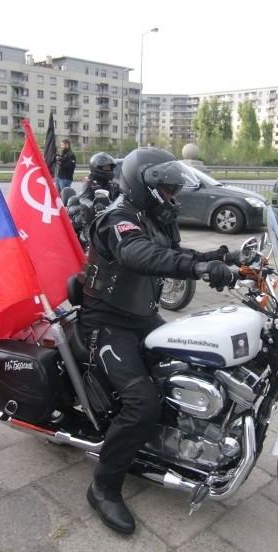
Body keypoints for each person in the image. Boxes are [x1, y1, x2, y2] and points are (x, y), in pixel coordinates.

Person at [79, 146, 240, 534]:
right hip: (107, 325)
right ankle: (103, 487)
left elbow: (173, 252)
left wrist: (225, 257)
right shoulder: (117, 218)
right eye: (167, 189)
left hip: (143, 317)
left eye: (173, 189)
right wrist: (197, 268)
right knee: (141, 403)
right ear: (145, 185)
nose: (173, 196)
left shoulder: (154, 218)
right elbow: (136, 253)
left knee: (189, 366)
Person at [77, 152, 122, 236]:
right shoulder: (88, 183)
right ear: (96, 168)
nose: (109, 170)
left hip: (111, 218)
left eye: (110, 167)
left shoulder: (112, 184)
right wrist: (94, 204)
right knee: (94, 242)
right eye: (106, 167)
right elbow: (83, 198)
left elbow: (122, 195)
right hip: (92, 221)